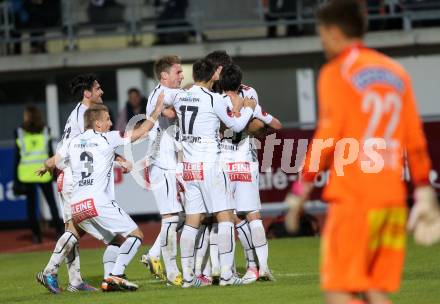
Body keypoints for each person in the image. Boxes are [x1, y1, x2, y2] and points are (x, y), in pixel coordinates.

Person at [284, 1, 440, 304]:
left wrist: (302, 188)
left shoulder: (336, 72)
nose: (322, 41)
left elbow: (326, 137)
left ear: (332, 31)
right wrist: (423, 190)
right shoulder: (396, 71)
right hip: (392, 199)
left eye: (322, 34)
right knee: (372, 289)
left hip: (355, 198)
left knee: (338, 291)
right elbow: (414, 137)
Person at [37, 102, 163, 292]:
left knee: (112, 240)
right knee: (136, 236)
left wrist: (43, 167)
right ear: (97, 124)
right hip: (97, 201)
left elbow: (52, 161)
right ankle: (116, 275)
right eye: (107, 119)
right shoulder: (107, 138)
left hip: (77, 205)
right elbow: (141, 131)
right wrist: (157, 110)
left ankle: (103, 279)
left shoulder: (72, 142)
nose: (111, 123)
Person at [161, 58, 257, 287]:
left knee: (193, 220)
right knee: (225, 217)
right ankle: (226, 275)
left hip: (189, 168)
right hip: (211, 165)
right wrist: (248, 109)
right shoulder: (213, 99)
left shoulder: (181, 96)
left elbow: (162, 98)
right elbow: (235, 126)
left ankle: (187, 278)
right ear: (213, 75)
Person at [36, 74, 128, 293]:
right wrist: (118, 158)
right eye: (98, 88)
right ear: (87, 93)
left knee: (74, 228)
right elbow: (92, 145)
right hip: (71, 177)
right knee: (77, 228)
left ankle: (75, 281)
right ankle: (49, 271)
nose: (101, 92)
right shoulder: (82, 116)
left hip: (69, 174)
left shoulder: (79, 113)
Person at [218, 64, 282, 283]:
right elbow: (275, 125)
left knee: (229, 217)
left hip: (223, 162)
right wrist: (258, 128)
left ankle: (239, 269)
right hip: (246, 161)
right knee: (254, 215)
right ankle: (262, 267)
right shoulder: (250, 99)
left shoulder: (216, 101)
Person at [139, 55, 184, 286]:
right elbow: (169, 112)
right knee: (171, 218)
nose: (182, 75)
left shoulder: (164, 92)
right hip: (163, 165)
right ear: (164, 75)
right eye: (178, 72)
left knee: (182, 217)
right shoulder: (160, 95)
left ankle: (155, 255)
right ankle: (173, 272)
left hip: (170, 165)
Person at [13, 104, 63, 244]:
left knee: (31, 206)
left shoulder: (19, 132)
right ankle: (59, 232)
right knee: (51, 202)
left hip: (27, 174)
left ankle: (36, 235)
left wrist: (16, 179)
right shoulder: (46, 130)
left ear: (28, 116)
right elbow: (49, 153)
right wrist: (54, 171)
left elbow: (17, 157)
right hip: (44, 170)